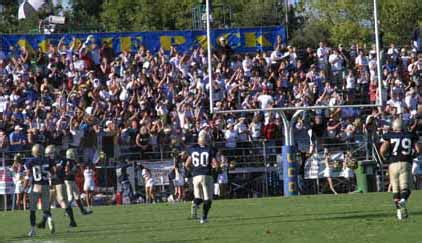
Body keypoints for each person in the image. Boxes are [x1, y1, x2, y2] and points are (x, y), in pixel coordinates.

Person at [380, 119, 421, 220]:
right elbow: (419, 149)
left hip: (393, 164)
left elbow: (382, 150)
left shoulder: (389, 135)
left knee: (395, 189)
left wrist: (385, 158)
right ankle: (403, 201)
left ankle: (399, 212)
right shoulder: (410, 135)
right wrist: (413, 155)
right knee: (406, 188)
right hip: (406, 162)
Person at [185, 132, 219, 224]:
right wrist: (216, 170)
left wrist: (193, 172)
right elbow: (215, 164)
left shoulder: (192, 149)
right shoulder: (210, 149)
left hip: (195, 176)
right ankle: (203, 218)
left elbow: (187, 164)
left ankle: (194, 204)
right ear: (206, 139)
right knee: (208, 199)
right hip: (206, 175)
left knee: (198, 197)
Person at [24, 144, 55, 237]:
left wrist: (25, 186)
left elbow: (28, 174)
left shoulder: (30, 161)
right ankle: (49, 218)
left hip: (36, 186)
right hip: (45, 185)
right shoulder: (48, 160)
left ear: (34, 151)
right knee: (45, 207)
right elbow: (53, 172)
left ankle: (33, 230)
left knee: (32, 210)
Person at [46, 145, 78, 227]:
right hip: (52, 182)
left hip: (59, 181)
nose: (48, 155)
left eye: (49, 154)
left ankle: (72, 221)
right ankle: (46, 221)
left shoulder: (60, 159)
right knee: (48, 203)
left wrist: (51, 168)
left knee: (62, 200)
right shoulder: (50, 160)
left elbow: (57, 169)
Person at [64, 148, 92, 215]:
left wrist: (76, 169)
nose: (75, 155)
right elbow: (66, 171)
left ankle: (82, 210)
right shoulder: (68, 161)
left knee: (77, 195)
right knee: (70, 197)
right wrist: (73, 171)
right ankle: (67, 211)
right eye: (74, 153)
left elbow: (74, 171)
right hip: (68, 180)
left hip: (72, 180)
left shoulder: (73, 162)